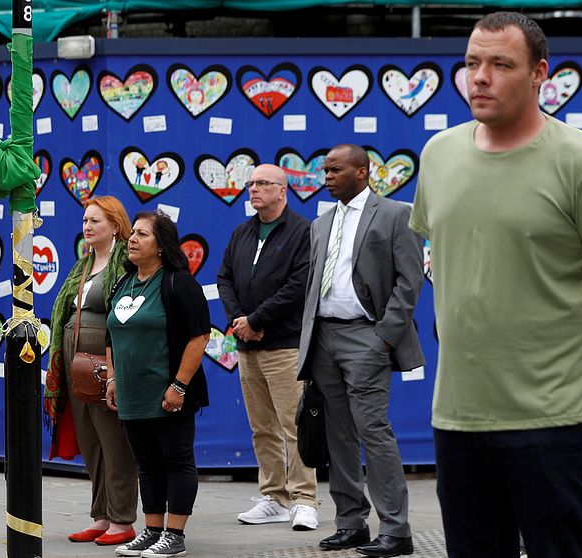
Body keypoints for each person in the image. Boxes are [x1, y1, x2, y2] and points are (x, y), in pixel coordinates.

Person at [411, 12, 582, 558]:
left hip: (552, 420)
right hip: (458, 416)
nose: (480, 77)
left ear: (540, 73)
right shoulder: (439, 155)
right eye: (472, 63)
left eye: (501, 64)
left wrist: (566, 347)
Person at [297, 144, 424, 556]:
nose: (327, 176)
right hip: (325, 338)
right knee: (338, 436)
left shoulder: (394, 214)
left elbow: (409, 280)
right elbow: (315, 284)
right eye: (324, 170)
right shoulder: (321, 222)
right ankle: (351, 524)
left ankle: (396, 529)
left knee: (373, 429)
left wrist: (384, 337)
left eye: (335, 169)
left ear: (362, 172)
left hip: (367, 336)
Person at [216, 164, 319, 530]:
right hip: (247, 347)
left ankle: (305, 499)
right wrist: (238, 320)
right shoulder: (242, 232)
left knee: (294, 426)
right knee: (262, 427)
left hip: (283, 346)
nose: (253, 189)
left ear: (282, 190)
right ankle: (274, 496)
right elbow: (224, 278)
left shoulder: (303, 231)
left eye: (262, 183)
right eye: (251, 184)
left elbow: (299, 283)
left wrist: (257, 320)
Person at [105, 211, 210, 558]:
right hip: (131, 392)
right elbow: (111, 335)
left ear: (161, 245)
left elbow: (199, 337)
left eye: (143, 235)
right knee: (146, 463)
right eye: (132, 233)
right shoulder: (124, 283)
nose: (132, 239)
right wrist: (113, 378)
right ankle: (151, 530)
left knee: (176, 460)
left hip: (168, 392)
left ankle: (174, 535)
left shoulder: (179, 283)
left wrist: (179, 385)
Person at [45, 195, 139, 546]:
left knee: (113, 440)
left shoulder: (124, 263)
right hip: (75, 361)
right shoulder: (82, 264)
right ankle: (101, 516)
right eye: (85, 220)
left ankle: (122, 519)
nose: (87, 226)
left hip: (104, 360)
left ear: (115, 226)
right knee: (89, 439)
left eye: (95, 221)